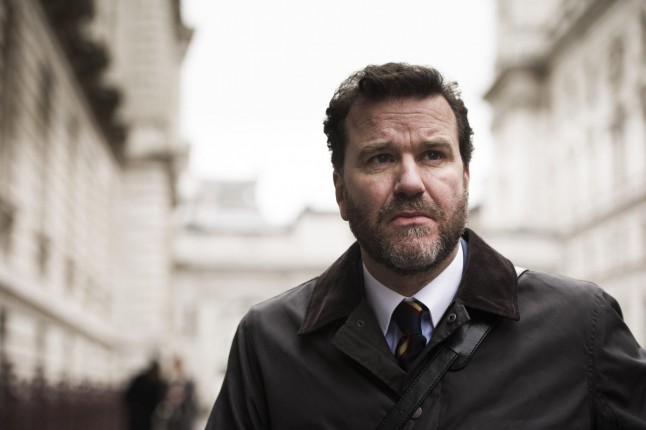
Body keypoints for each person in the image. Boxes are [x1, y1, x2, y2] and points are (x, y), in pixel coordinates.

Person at [205, 63, 646, 429]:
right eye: (380, 158)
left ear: (465, 179)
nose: (411, 183)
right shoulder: (269, 342)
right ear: (340, 191)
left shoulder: (580, 326)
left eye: (433, 155)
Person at [124, 360, 167, 430]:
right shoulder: (140, 381)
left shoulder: (156, 384)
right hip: (137, 415)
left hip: (146, 417)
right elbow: (129, 396)